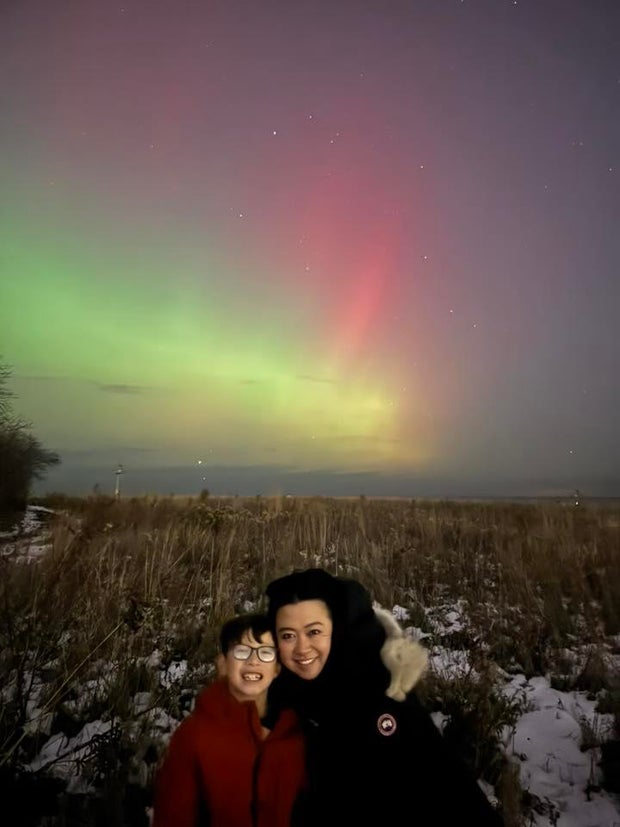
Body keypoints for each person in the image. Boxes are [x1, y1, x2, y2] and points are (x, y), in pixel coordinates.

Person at [265, 568, 504, 826]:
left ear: (337, 628)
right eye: (288, 635)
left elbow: (441, 778)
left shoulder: (379, 694)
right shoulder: (274, 693)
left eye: (314, 632)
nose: (302, 648)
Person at [152, 612, 307, 827]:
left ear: (277, 669)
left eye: (266, 652)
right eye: (242, 651)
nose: (254, 661)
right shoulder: (195, 736)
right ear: (223, 664)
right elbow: (173, 818)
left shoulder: (294, 734)